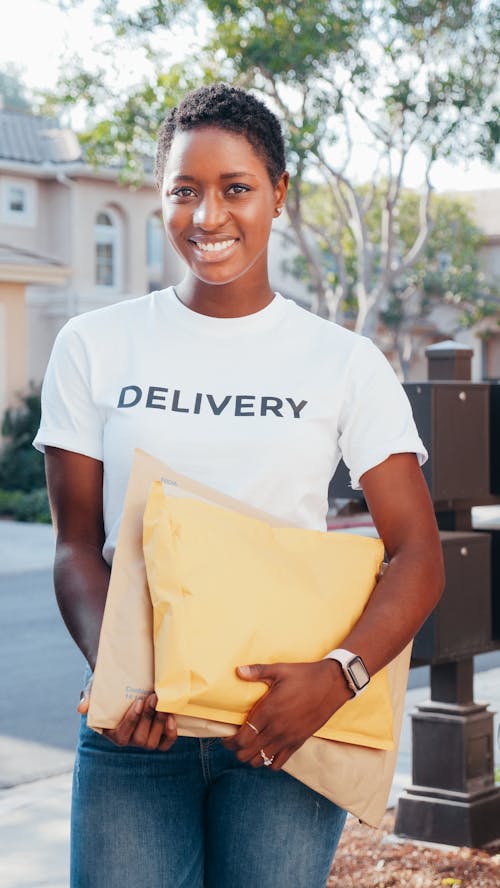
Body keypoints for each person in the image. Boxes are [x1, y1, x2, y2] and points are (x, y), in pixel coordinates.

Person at [34, 82, 444, 887]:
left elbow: (419, 555)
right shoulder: (95, 346)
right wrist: (120, 679)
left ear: (278, 195)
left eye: (236, 189)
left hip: (286, 728)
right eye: (184, 190)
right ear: (161, 197)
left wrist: (336, 680)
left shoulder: (343, 362)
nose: (208, 216)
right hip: (136, 736)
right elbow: (76, 546)